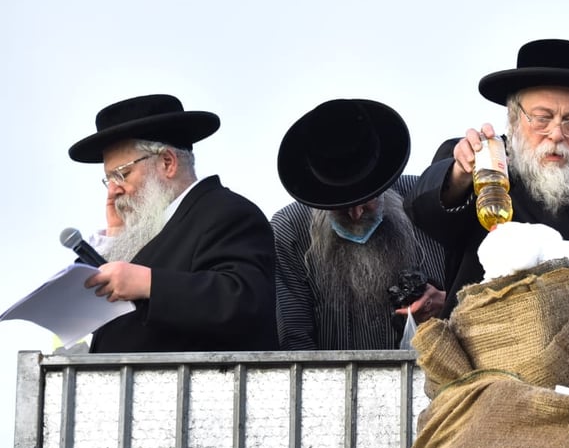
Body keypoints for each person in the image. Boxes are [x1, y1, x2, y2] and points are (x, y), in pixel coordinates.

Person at [408, 38, 569, 313]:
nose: (556, 134)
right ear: (515, 118)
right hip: (485, 341)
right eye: (542, 118)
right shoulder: (481, 158)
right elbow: (421, 214)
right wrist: (460, 174)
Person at [67, 93, 277, 352]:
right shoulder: (148, 228)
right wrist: (117, 238)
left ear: (167, 162)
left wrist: (148, 283)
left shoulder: (228, 212)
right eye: (108, 179)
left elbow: (244, 299)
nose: (113, 190)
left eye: (122, 174)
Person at [271, 99, 448, 350]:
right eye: (340, 205)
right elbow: (294, 343)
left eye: (367, 200)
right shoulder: (290, 230)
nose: (355, 214)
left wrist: (445, 302)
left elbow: (476, 298)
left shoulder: (426, 203)